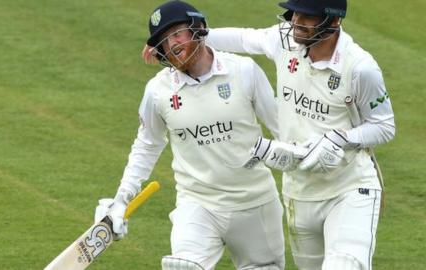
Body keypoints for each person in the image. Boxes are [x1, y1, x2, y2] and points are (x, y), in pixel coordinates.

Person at [143, 0, 396, 269]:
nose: (296, 21)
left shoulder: (360, 67)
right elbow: (242, 38)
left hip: (349, 185)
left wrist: (338, 139)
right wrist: (176, 43)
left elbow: (384, 126)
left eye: (307, 16)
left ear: (333, 21)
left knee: (345, 265)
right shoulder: (284, 41)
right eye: (295, 12)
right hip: (300, 190)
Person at [95, 1, 308, 269]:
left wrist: (307, 157)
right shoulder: (158, 91)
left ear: (198, 29)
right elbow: (147, 145)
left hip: (255, 204)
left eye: (176, 34)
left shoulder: (243, 71)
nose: (171, 45)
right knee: (183, 266)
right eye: (163, 40)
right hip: (197, 205)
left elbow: (283, 127)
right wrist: (122, 197)